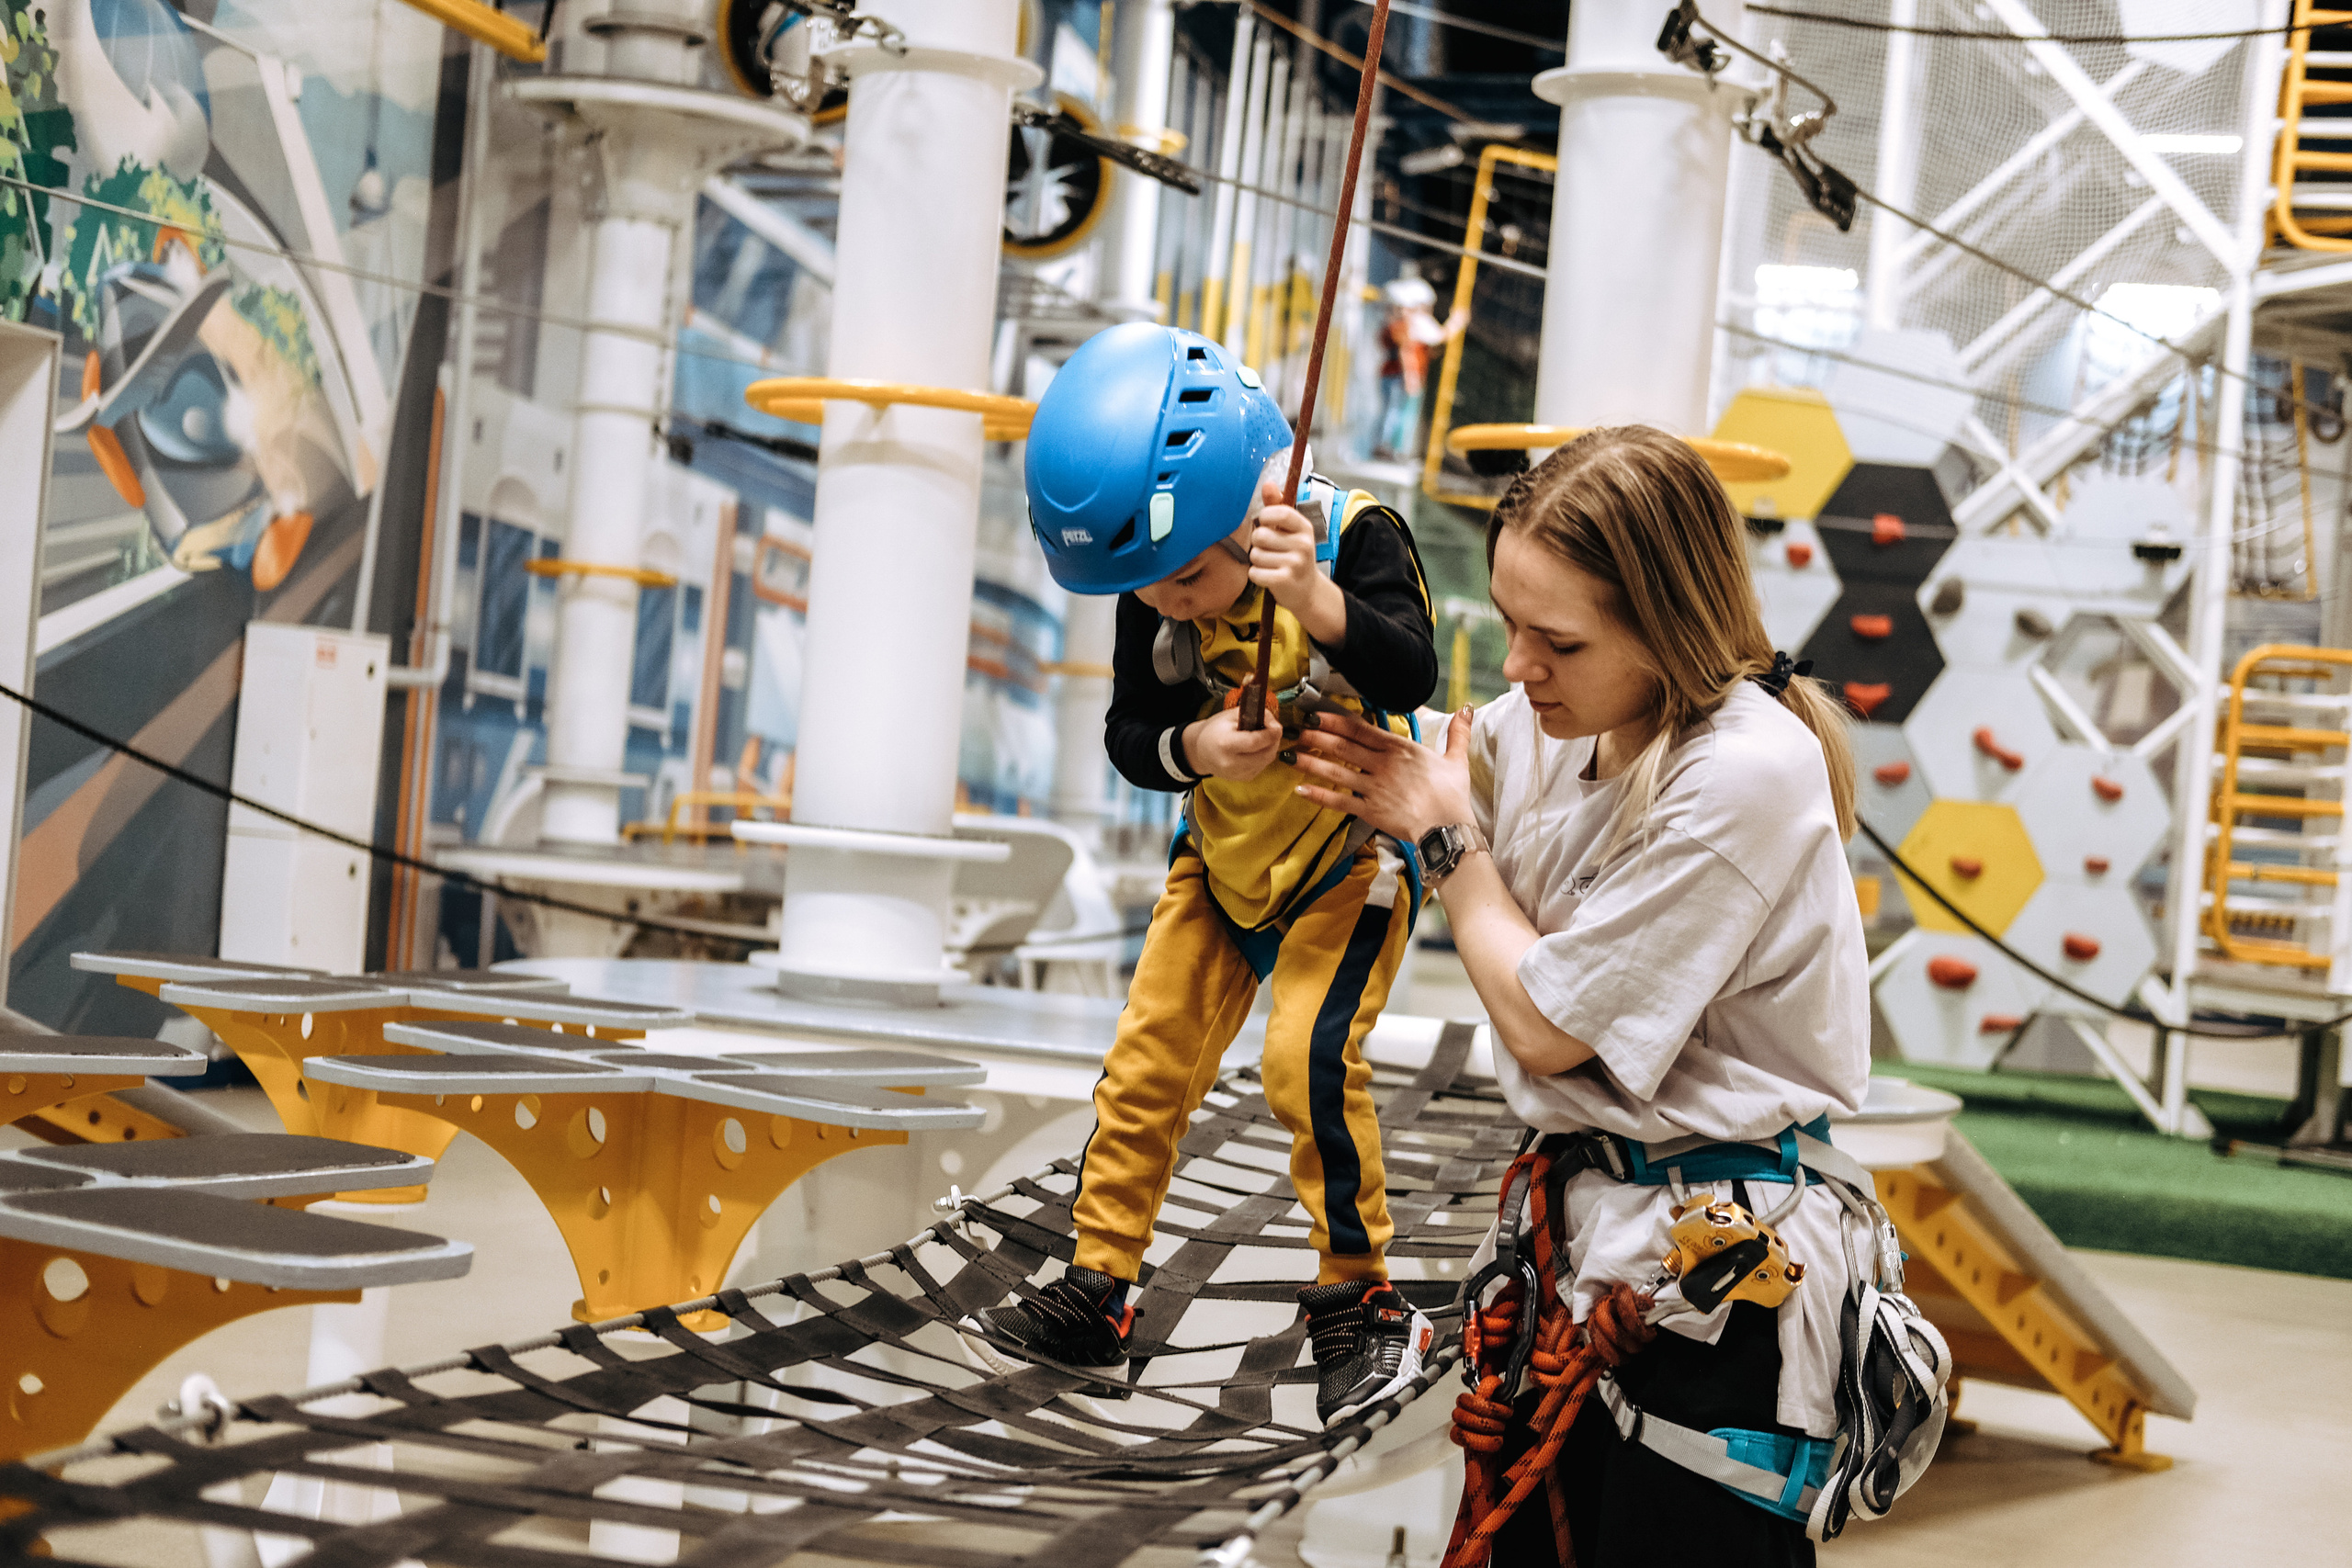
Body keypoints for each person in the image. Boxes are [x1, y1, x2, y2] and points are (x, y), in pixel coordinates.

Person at [1291, 426, 1871, 1564]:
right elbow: (1425, 747)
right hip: (1577, 1244)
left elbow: (1546, 1026)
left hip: (1721, 1277)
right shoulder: (1568, 721)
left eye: (1555, 640)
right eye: (1509, 623)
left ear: (1665, 628)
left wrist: (1447, 846)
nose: (1517, 666)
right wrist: (1287, 626)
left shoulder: (1744, 770)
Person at [968, 321, 1441, 1428]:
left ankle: (1364, 1300)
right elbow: (1130, 734)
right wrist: (1196, 747)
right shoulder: (1150, 583)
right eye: (1146, 588)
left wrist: (1316, 601)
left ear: (1246, 506)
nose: (1169, 603)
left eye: (1188, 577)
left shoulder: (1353, 537)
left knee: (1303, 1061)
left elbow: (1411, 671)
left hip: (1349, 857)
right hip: (1219, 860)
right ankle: (1100, 1287)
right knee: (1146, 1062)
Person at [1373, 265, 1462, 461]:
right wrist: (1410, 376)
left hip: (1396, 375)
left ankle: (1391, 448)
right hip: (1400, 377)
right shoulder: (1403, 326)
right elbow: (1408, 351)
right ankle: (1388, 448)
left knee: (1396, 412)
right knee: (1397, 413)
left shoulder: (1401, 325)